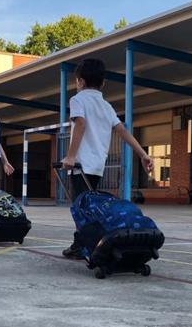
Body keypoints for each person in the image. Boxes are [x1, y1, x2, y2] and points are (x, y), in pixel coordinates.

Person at [60, 58, 154, 260]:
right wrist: (143, 154)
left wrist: (70, 156)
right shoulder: (106, 106)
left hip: (80, 165)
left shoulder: (78, 100)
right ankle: (81, 243)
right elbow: (122, 131)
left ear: (80, 82)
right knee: (87, 206)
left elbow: (81, 125)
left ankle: (86, 245)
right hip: (97, 166)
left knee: (81, 207)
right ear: (102, 83)